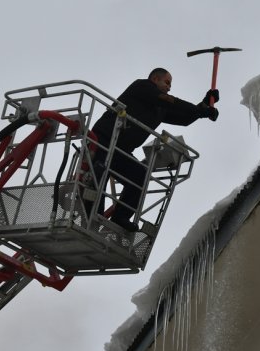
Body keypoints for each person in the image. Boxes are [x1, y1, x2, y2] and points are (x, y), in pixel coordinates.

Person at [89, 67, 219, 232]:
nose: (169, 87)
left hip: (120, 150)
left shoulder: (159, 109)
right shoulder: (142, 87)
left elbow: (184, 119)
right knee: (98, 176)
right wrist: (199, 109)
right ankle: (92, 219)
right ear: (155, 79)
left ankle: (120, 217)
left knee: (139, 175)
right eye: (167, 82)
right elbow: (170, 101)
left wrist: (204, 106)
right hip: (104, 139)